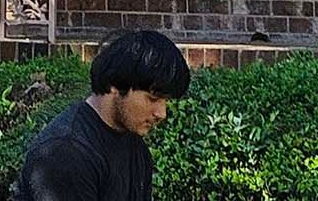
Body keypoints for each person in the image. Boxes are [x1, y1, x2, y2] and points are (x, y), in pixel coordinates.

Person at [12, 29, 190, 201]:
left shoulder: (134, 144)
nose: (162, 113)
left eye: (165, 101)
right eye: (153, 98)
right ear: (115, 84)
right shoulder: (66, 153)